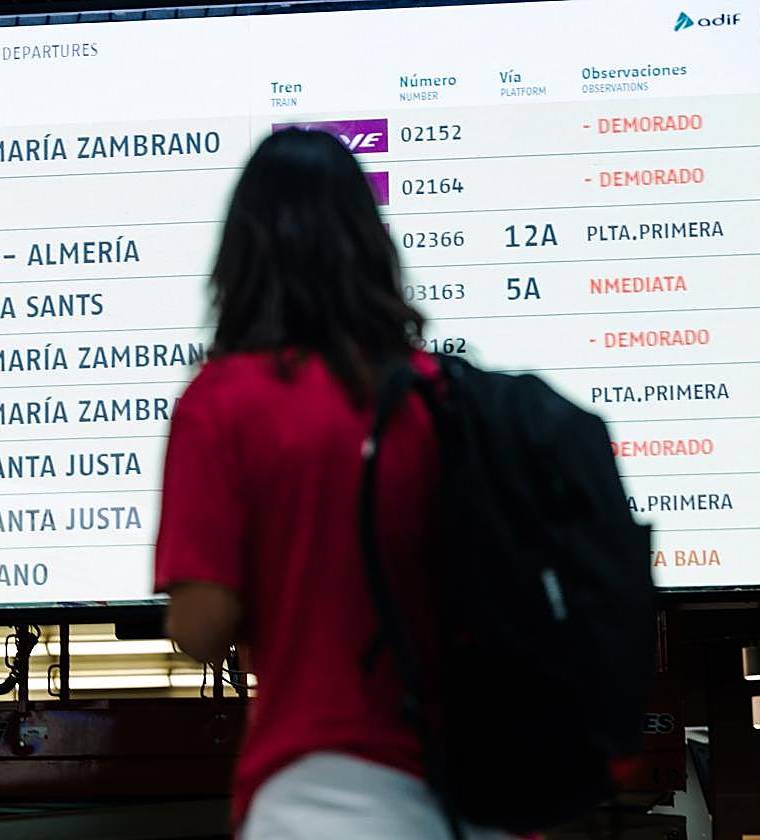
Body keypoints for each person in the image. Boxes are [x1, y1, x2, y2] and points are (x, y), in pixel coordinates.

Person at [153, 128, 514, 838]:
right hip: (477, 790)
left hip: (322, 794)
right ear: (370, 245)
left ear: (243, 253)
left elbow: (202, 627)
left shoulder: (223, 403)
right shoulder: (438, 395)